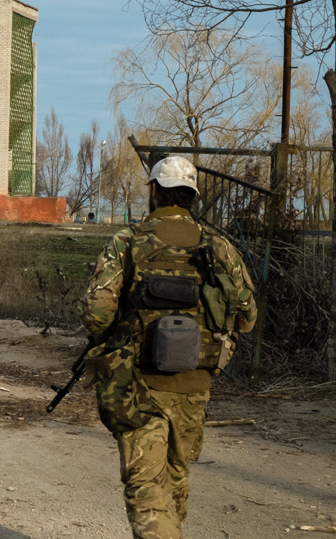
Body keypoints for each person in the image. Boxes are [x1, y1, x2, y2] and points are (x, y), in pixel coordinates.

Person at [78, 156, 257, 539]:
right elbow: (247, 316)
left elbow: (95, 314)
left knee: (145, 487)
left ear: (155, 192)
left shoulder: (127, 242)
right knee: (175, 479)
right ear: (192, 197)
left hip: (139, 386)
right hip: (194, 387)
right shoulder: (219, 247)